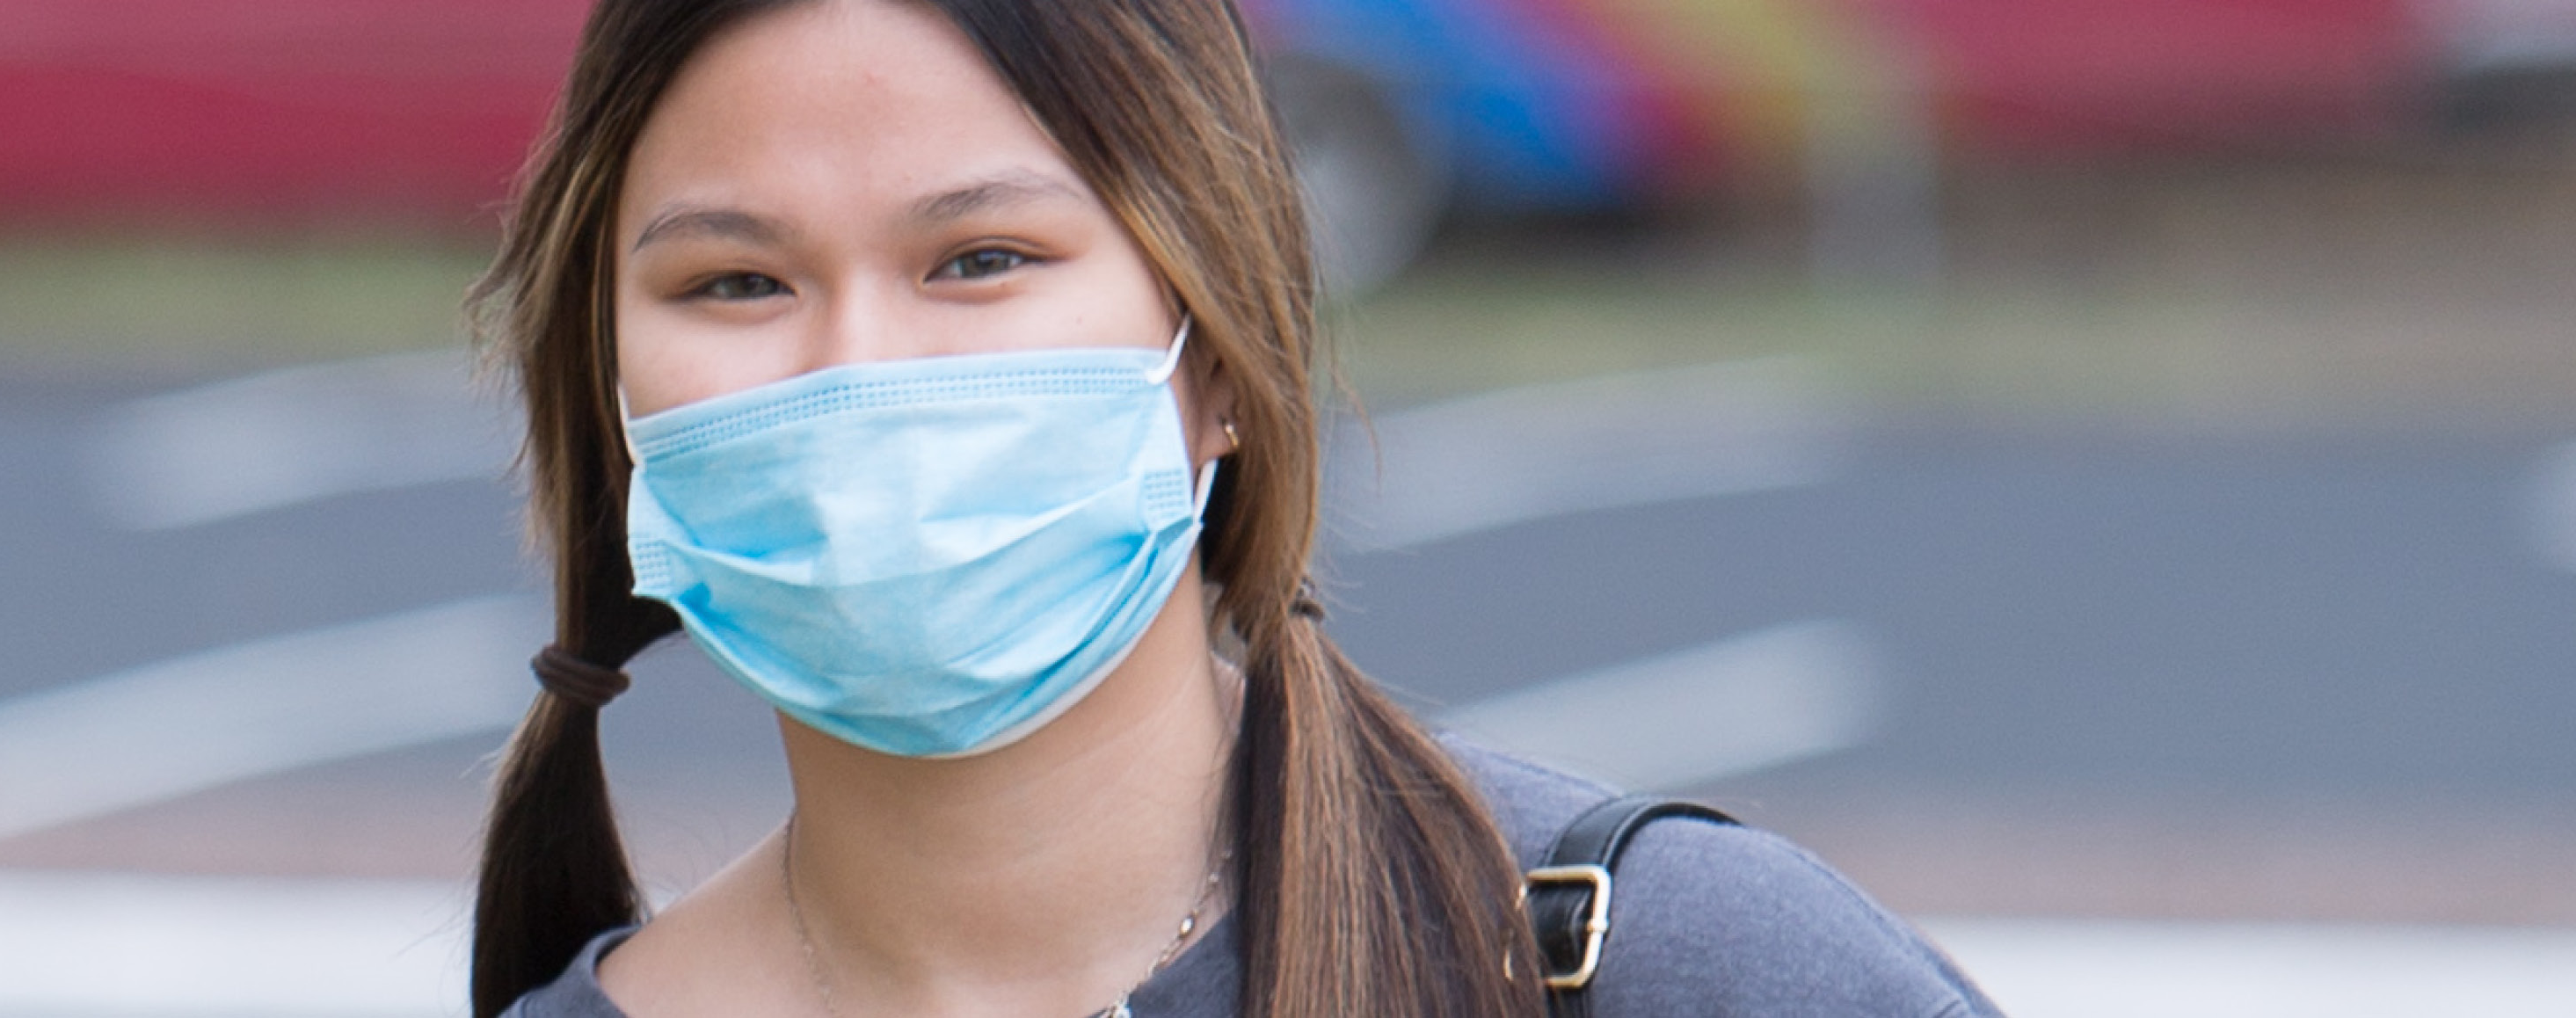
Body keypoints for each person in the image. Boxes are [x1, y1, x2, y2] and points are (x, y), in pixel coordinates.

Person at [462, 1, 2000, 1016]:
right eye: (734, 281)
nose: (861, 371)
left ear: (1221, 355)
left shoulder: (1681, 970)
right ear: (608, 392)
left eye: (983, 258)